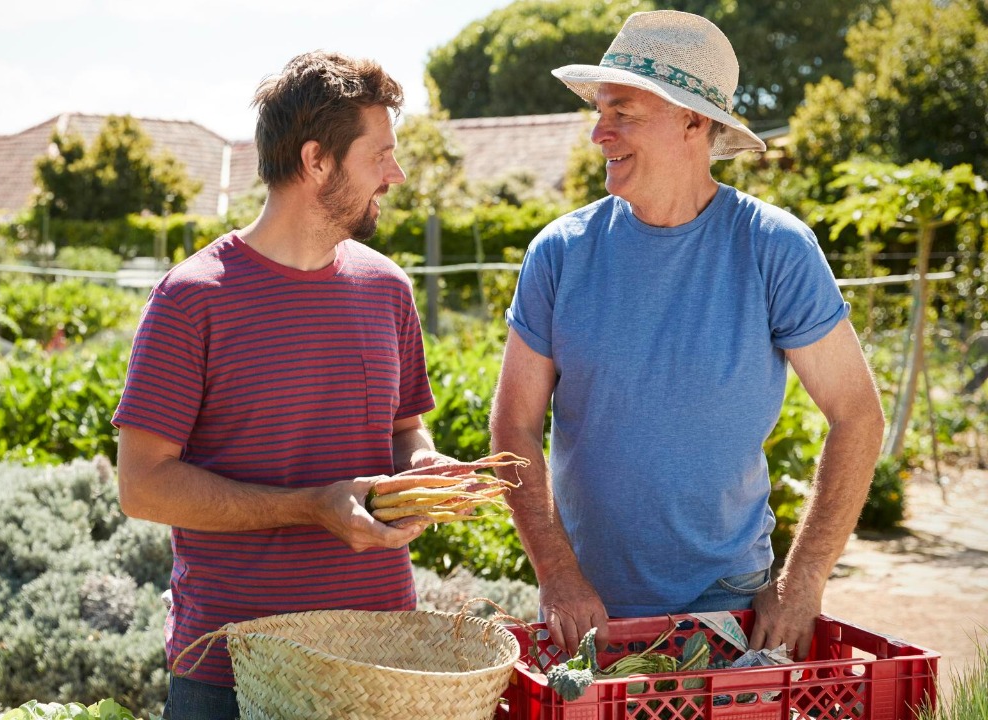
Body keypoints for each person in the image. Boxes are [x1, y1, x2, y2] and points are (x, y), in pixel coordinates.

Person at [490, 10, 885, 663]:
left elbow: (857, 415)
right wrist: (557, 574)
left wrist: (802, 580)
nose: (598, 132)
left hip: (728, 605)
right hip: (586, 609)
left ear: (694, 121)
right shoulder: (559, 253)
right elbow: (513, 427)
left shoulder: (772, 248)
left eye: (623, 112)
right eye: (599, 111)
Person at [112, 50, 448, 719]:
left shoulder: (388, 288)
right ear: (317, 160)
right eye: (379, 155)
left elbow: (405, 427)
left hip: (380, 655)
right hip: (233, 670)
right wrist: (311, 505)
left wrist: (424, 469)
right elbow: (143, 486)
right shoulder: (192, 298)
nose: (396, 175)